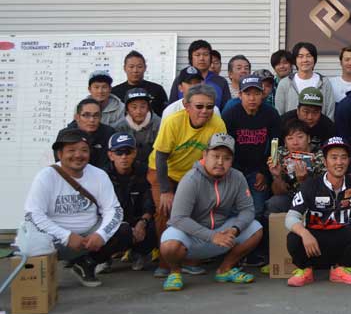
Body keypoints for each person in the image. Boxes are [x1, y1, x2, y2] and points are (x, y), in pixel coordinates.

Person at [24, 128, 130, 287]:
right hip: (56, 240)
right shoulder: (46, 176)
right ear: (60, 154)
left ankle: (86, 264)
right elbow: (33, 214)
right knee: (31, 245)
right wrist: (66, 236)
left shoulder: (99, 175)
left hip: (89, 237)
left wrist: (101, 234)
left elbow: (113, 210)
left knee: (124, 231)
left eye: (84, 150)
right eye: (71, 150)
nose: (78, 155)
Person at [159, 133, 263, 291]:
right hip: (193, 236)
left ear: (232, 160)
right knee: (169, 243)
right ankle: (175, 272)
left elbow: (247, 210)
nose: (220, 162)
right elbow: (178, 218)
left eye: (226, 158)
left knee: (255, 228)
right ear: (205, 155)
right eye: (215, 156)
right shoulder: (191, 179)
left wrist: (235, 229)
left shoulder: (237, 177)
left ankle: (225, 269)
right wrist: (212, 236)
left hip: (223, 232)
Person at [148, 84, 227, 276]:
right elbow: (161, 157)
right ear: (186, 105)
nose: (204, 111)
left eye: (209, 107)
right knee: (165, 210)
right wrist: (166, 191)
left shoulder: (218, 124)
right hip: (164, 171)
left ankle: (190, 259)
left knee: (199, 210)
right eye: (199, 106)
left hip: (194, 174)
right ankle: (166, 263)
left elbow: (218, 156)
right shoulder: (172, 122)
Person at [284, 137, 351, 287]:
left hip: (341, 242)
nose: (339, 162)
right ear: (325, 162)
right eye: (334, 157)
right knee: (294, 237)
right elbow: (291, 218)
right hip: (314, 245)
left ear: (349, 161)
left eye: (343, 157)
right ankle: (305, 271)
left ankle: (342, 269)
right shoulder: (311, 185)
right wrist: (305, 234)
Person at [221, 75, 282, 262]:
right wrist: (233, 173)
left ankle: (252, 251)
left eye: (256, 93)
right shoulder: (230, 114)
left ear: (263, 95)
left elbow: (275, 145)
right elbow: (225, 147)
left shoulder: (271, 114)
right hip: (234, 170)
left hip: (258, 169)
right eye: (248, 94)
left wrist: (264, 172)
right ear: (240, 95)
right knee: (233, 210)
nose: (252, 98)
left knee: (257, 209)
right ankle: (230, 251)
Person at [104, 132, 157, 272]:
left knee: (157, 222)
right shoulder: (102, 175)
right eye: (119, 152)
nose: (124, 156)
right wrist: (123, 226)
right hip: (113, 221)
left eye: (128, 152)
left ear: (135, 153)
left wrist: (142, 222)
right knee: (115, 229)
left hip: (137, 219)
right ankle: (103, 257)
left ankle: (140, 253)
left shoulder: (144, 171)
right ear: (110, 155)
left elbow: (149, 202)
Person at [266, 119, 326, 214]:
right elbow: (278, 192)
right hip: (291, 196)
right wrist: (277, 176)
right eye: (290, 138)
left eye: (300, 137)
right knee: (273, 203)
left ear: (309, 138)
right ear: (285, 142)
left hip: (315, 198)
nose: (295, 142)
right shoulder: (280, 154)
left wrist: (303, 180)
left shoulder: (320, 157)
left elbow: (324, 191)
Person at [275, 42, 335, 119]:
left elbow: (330, 112)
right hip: (291, 126)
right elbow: (279, 113)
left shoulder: (324, 82)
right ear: (295, 60)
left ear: (314, 59)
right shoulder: (285, 83)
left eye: (308, 56)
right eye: (300, 56)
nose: (305, 60)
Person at [112, 88, 162, 178]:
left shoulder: (160, 125)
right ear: (127, 109)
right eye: (134, 107)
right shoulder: (118, 127)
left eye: (143, 106)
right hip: (128, 170)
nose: (138, 111)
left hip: (153, 169)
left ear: (148, 108)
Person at [168, 40, 231, 108]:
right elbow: (172, 106)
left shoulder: (221, 81)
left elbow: (226, 108)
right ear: (191, 58)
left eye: (205, 55)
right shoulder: (180, 79)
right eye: (197, 55)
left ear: (210, 58)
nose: (202, 58)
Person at [59, 98, 116, 169]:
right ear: (77, 117)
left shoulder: (109, 133)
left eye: (96, 115)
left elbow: (110, 163)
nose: (92, 120)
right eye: (86, 115)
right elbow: (60, 163)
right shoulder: (65, 135)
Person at [112, 50, 169, 117]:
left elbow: (166, 115)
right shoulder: (115, 92)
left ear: (145, 68)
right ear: (124, 68)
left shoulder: (157, 89)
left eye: (139, 67)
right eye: (131, 67)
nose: (135, 70)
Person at [280, 87, 336, 152]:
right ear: (298, 110)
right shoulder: (284, 122)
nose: (310, 117)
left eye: (315, 112)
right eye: (306, 112)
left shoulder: (328, 127)